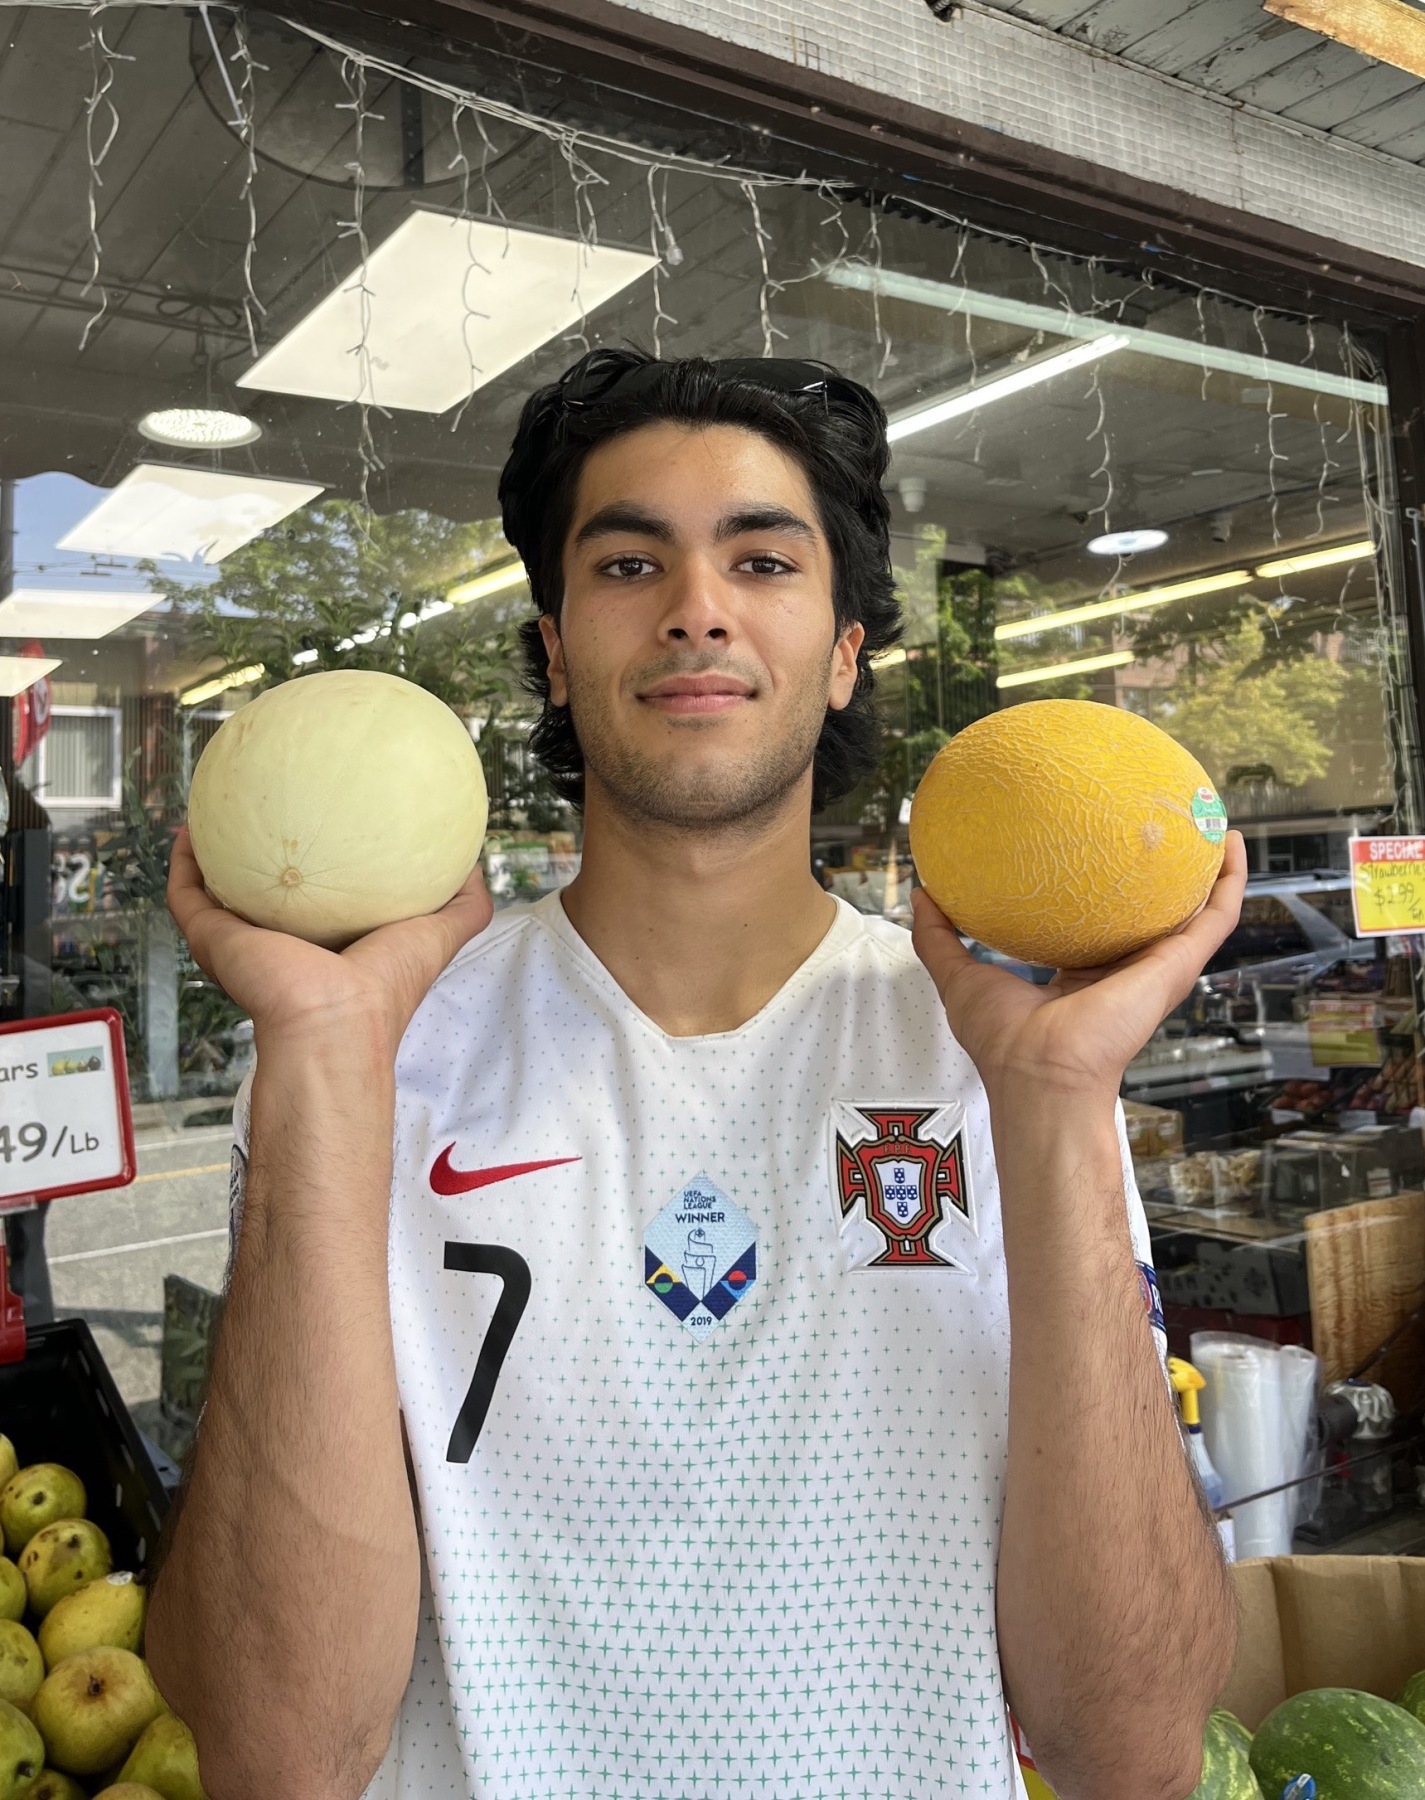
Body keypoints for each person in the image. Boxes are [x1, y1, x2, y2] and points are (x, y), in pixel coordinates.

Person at [149, 349, 1244, 1800]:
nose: (696, 608)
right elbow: (278, 1755)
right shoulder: (370, 1052)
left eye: (762, 560)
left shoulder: (1004, 1059)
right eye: (628, 562)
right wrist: (319, 1067)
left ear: (844, 652)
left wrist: (1052, 1112)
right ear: (554, 652)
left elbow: (1131, 1751)